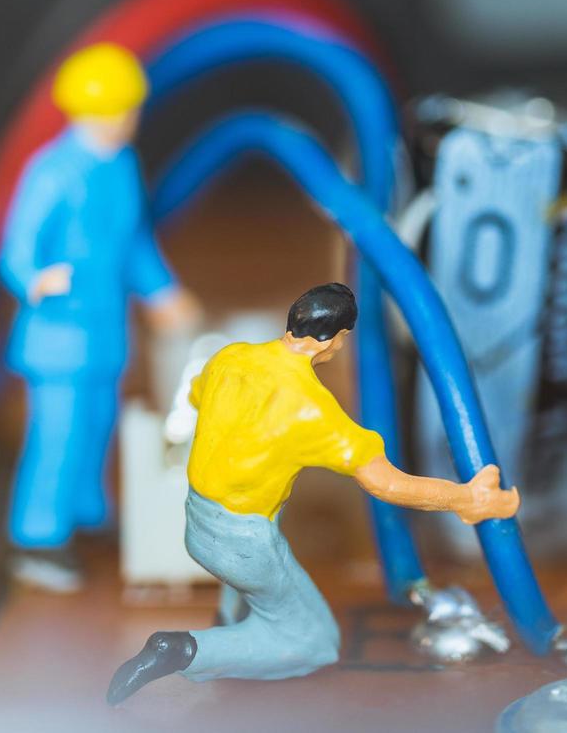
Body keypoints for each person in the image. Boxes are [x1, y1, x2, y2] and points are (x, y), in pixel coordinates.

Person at [107, 282, 519, 704]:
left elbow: (197, 400)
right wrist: (468, 499)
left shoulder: (230, 357)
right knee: (313, 643)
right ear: (334, 339)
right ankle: (185, 650)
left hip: (197, 518)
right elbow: (386, 483)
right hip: (244, 541)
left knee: (260, 542)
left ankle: (230, 617)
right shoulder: (312, 409)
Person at [0, 43, 200, 592]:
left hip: (106, 332)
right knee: (58, 434)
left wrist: (162, 291)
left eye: (129, 108)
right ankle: (37, 536)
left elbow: (133, 241)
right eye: (115, 110)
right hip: (57, 336)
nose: (125, 120)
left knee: (98, 429)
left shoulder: (122, 166)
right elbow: (16, 249)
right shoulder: (52, 171)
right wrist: (35, 279)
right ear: (84, 111)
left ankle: (87, 515)